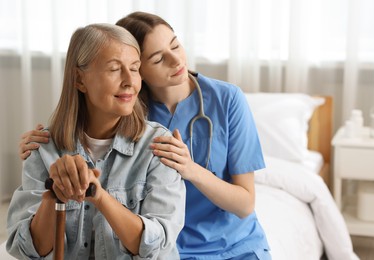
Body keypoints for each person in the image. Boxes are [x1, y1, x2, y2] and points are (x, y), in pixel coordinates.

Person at [18, 12, 271, 260]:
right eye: (158, 59)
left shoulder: (225, 100)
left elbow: (245, 203)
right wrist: (45, 146)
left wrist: (190, 168)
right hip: (173, 247)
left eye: (175, 44)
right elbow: (83, 113)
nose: (176, 60)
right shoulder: (124, 109)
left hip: (228, 244)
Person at [8, 23, 186, 260]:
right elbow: (26, 250)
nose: (129, 81)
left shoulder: (158, 146)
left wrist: (99, 196)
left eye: (134, 69)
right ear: (79, 79)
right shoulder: (43, 148)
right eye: (114, 69)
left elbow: (157, 246)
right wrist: (53, 197)